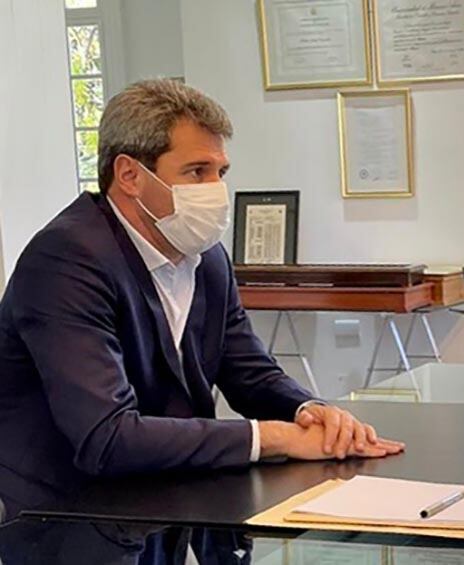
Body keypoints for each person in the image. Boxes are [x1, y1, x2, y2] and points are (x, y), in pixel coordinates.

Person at [0, 79, 403, 524]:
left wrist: (311, 413)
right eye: (196, 172)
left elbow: (248, 371)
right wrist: (272, 437)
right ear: (130, 175)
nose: (215, 189)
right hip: (65, 516)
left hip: (167, 500)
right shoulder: (66, 260)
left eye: (220, 172)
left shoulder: (205, 256)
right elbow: (106, 436)